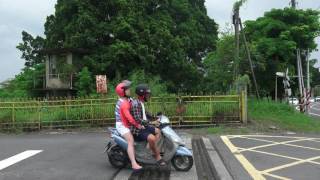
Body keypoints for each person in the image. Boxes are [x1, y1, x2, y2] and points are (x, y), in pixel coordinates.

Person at [130, 84, 165, 166]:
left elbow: (147, 115)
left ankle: (149, 150)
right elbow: (137, 119)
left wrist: (157, 117)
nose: (149, 96)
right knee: (152, 138)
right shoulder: (135, 104)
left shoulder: (141, 102)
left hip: (144, 127)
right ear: (142, 95)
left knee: (158, 131)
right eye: (147, 95)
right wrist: (151, 123)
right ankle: (157, 157)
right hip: (138, 129)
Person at [114, 81, 144, 171]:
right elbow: (129, 118)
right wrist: (138, 125)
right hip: (122, 125)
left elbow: (135, 103)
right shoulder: (124, 103)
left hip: (125, 123)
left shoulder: (127, 100)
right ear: (123, 92)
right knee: (131, 141)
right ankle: (134, 163)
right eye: (127, 89)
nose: (129, 90)